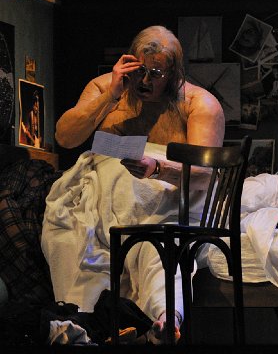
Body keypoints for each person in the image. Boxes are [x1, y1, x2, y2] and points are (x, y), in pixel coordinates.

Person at [44, 25, 225, 343]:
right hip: (100, 198)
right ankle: (81, 320)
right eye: (139, 70)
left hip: (160, 200)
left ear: (173, 74)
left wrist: (157, 168)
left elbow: (206, 175)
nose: (144, 81)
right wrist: (111, 95)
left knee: (156, 241)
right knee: (67, 232)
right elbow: (65, 137)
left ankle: (166, 319)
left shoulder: (199, 104)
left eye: (156, 74)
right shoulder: (105, 87)